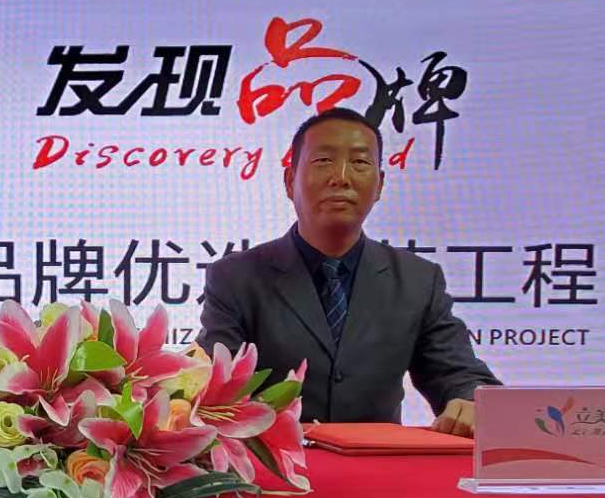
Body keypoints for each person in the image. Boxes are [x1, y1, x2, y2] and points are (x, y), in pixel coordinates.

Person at [196, 107, 499, 434]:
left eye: (359, 162)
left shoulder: (417, 280)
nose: (341, 177)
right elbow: (213, 381)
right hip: (274, 461)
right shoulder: (236, 277)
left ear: (379, 184)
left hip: (377, 461)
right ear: (289, 180)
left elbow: (457, 374)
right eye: (323, 160)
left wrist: (472, 401)